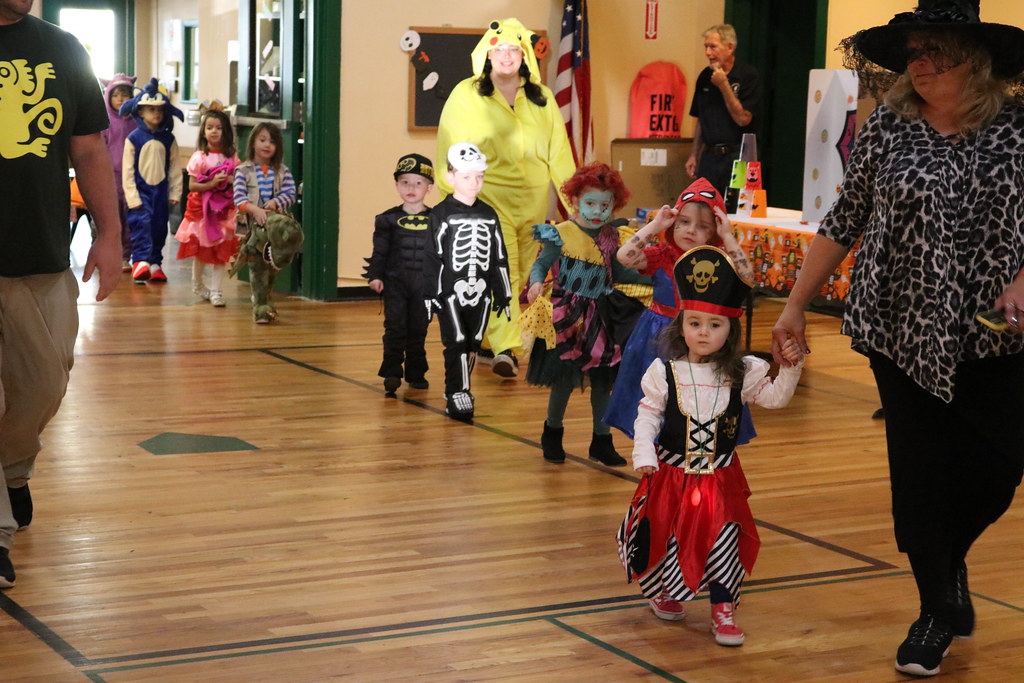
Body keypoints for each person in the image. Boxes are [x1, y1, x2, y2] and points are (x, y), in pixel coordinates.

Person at [770, 2, 1024, 676]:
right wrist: (795, 305)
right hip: (897, 325)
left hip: (993, 332)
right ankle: (935, 608)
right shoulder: (888, 123)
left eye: (935, 50)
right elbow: (845, 216)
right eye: (913, 51)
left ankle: (950, 558)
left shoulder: (1018, 129)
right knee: (920, 471)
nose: (919, 63)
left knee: (998, 468)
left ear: (975, 60)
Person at [617, 246, 803, 647]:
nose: (703, 332)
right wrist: (643, 452)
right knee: (667, 536)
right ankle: (666, 590)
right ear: (681, 325)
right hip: (670, 475)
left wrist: (790, 367)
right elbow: (647, 415)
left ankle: (723, 609)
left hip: (719, 478)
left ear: (730, 330)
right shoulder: (664, 373)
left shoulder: (743, 373)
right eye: (695, 323)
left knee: (723, 540)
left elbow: (775, 399)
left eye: (715, 325)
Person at [0, 0, 123, 588]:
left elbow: (89, 149)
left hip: (41, 255)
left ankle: (13, 471)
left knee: (46, 384)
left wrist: (110, 234)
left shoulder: (63, 48)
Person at [436, 17, 576, 378]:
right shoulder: (467, 94)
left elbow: (559, 152)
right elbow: (450, 146)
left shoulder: (541, 98)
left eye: (515, 49)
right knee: (505, 271)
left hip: (533, 201)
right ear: (487, 53)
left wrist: (574, 200)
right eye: (499, 49)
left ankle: (487, 342)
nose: (507, 56)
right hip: (489, 197)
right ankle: (506, 349)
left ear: (525, 55)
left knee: (524, 272)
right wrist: (452, 195)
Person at [602, 178, 756, 439]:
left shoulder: (717, 261)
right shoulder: (663, 254)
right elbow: (624, 256)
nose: (690, 230)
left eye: (703, 226)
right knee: (657, 402)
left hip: (700, 339)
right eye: (684, 222)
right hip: (658, 338)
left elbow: (747, 277)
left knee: (696, 404)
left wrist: (728, 236)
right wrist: (656, 225)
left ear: (714, 232)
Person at [524, 162, 648, 467]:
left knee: (603, 381)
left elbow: (619, 272)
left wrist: (654, 277)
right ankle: (552, 433)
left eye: (605, 206)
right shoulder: (560, 234)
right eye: (590, 203)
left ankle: (601, 440)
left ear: (614, 205)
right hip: (566, 317)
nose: (597, 211)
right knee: (564, 380)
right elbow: (542, 264)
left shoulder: (612, 237)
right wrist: (536, 281)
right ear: (575, 200)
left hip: (601, 316)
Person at [423, 143, 512, 421]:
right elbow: (432, 256)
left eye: (479, 176)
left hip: (482, 291)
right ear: (450, 177)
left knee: (473, 342)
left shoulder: (489, 214)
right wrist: (430, 294)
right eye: (466, 176)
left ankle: (459, 387)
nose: (474, 182)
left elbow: (499, 255)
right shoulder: (441, 214)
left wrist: (504, 293)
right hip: (450, 292)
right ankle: (458, 391)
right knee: (456, 340)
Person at [363, 153, 434, 393]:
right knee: (395, 327)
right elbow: (380, 251)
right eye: (405, 182)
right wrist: (375, 275)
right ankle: (392, 371)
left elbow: (442, 255)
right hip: (396, 284)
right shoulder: (387, 219)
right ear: (396, 185)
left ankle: (417, 371)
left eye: (418, 183)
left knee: (418, 329)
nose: (411, 188)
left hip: (424, 286)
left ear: (429, 187)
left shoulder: (437, 220)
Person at [684, 25, 762, 196]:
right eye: (706, 47)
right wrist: (694, 155)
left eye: (713, 47)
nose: (708, 53)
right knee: (705, 203)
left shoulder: (748, 75)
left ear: (730, 47)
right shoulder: (705, 76)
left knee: (737, 206)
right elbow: (701, 119)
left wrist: (724, 85)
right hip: (710, 157)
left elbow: (742, 119)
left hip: (739, 157)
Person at [233, 121, 299, 324]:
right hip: (253, 230)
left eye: (272, 141)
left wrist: (276, 202)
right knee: (257, 267)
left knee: (272, 268)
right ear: (253, 142)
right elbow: (239, 198)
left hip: (275, 232)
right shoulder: (243, 171)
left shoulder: (283, 171)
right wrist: (254, 209)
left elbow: (291, 194)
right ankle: (260, 307)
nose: (267, 145)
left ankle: (264, 298)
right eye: (262, 140)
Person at [120, 77, 184, 284]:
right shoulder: (133, 138)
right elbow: (127, 171)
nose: (156, 114)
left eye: (159, 110)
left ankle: (155, 263)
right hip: (140, 192)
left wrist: (175, 192)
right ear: (140, 112)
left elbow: (175, 168)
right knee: (141, 225)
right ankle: (140, 261)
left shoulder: (168, 139)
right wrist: (132, 197)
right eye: (150, 109)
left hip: (161, 192)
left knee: (159, 227)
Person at [175, 106, 239, 307]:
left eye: (219, 128)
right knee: (202, 250)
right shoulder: (199, 157)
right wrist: (212, 184)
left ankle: (217, 290)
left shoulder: (232, 157)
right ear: (203, 131)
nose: (214, 131)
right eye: (210, 127)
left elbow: (239, 180)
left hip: (224, 212)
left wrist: (230, 180)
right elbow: (193, 185)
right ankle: (198, 284)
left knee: (221, 251)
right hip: (203, 212)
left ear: (226, 131)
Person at [100, 74, 137, 272]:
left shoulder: (137, 121)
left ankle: (125, 255)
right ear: (108, 97)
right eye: (116, 95)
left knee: (131, 218)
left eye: (125, 95)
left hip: (132, 178)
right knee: (111, 218)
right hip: (110, 178)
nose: (121, 99)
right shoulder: (105, 122)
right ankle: (109, 254)